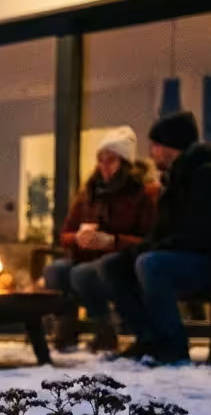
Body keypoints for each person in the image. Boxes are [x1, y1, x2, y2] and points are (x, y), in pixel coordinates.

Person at [98, 110, 211, 365]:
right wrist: (140, 249)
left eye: (155, 145)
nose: (151, 152)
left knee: (151, 264)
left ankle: (173, 346)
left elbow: (202, 232)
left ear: (171, 146)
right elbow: (163, 231)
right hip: (189, 253)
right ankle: (147, 339)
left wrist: (153, 250)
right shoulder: (176, 177)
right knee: (114, 266)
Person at [41, 126, 158, 352]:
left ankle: (105, 329)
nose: (104, 166)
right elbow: (64, 235)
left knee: (82, 273)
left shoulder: (142, 194)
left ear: (124, 163)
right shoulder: (89, 193)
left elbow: (148, 239)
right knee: (55, 270)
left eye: (111, 160)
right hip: (86, 255)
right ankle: (67, 327)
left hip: (120, 260)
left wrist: (112, 241)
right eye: (100, 160)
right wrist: (77, 237)